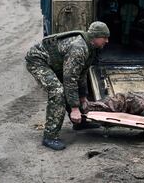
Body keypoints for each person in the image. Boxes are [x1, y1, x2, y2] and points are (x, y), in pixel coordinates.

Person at [25, 21, 110, 150]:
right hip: (39, 61)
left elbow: (81, 74)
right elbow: (70, 79)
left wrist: (83, 97)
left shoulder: (91, 48)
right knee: (58, 91)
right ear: (96, 37)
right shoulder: (79, 48)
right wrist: (75, 108)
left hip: (56, 63)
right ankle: (50, 136)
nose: (107, 41)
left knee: (71, 90)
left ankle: (79, 123)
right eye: (105, 38)